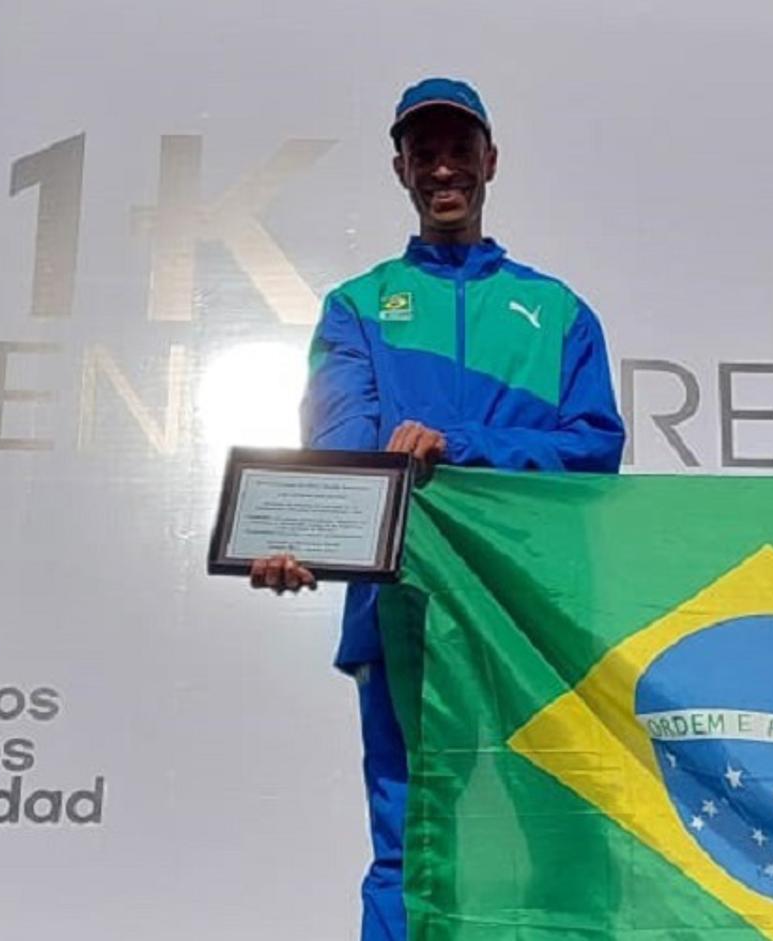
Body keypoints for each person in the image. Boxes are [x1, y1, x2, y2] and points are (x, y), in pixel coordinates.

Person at [249, 77, 625, 940]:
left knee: (566, 839)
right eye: (426, 153)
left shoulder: (559, 311)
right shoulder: (358, 307)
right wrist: (296, 540)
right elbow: (341, 456)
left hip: (535, 612)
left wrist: (462, 441)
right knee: (413, 846)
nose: (444, 168)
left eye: (460, 150)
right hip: (403, 611)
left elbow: (594, 448)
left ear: (491, 160)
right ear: (401, 169)